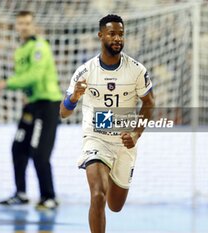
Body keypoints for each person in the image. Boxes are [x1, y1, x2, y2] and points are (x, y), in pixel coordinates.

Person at [60, 14, 155, 233]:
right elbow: (63, 112)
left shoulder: (136, 70)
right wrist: (73, 97)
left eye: (121, 34)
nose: (117, 38)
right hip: (96, 139)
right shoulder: (85, 71)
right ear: (100, 35)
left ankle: (112, 171)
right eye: (112, 33)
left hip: (124, 142)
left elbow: (150, 103)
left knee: (115, 205)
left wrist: (136, 133)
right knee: (97, 194)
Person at [0, 11, 62, 210]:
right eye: (20, 23)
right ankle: (20, 194)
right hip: (31, 105)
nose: (24, 27)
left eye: (27, 23)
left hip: (47, 105)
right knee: (18, 148)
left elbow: (34, 76)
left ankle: (49, 197)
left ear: (33, 25)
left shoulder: (40, 47)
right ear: (16, 26)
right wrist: (7, 86)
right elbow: (23, 80)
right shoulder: (20, 51)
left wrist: (6, 83)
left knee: (39, 153)